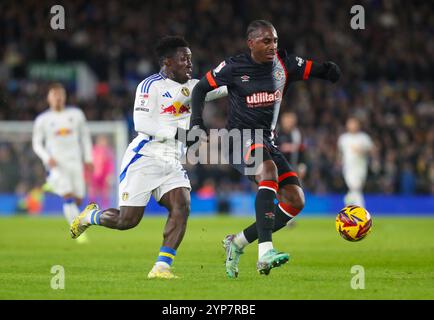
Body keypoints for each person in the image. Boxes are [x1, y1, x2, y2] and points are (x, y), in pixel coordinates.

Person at [190, 20, 341, 278]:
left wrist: (330, 71)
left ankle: (236, 242)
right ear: (251, 43)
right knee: (267, 170)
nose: (272, 46)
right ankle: (265, 253)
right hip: (238, 139)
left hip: (266, 141)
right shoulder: (233, 67)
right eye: (266, 41)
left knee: (295, 200)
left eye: (275, 41)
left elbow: (317, 69)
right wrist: (196, 122)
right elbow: (200, 88)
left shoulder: (286, 65)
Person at [70, 36, 227, 279]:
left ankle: (161, 267)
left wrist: (249, 78)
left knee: (181, 206)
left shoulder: (195, 87)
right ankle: (89, 216)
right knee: (127, 221)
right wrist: (180, 133)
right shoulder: (150, 85)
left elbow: (224, 88)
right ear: (167, 62)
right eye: (183, 59)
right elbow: (142, 122)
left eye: (190, 59)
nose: (189, 63)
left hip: (172, 160)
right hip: (145, 157)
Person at [32, 83, 93, 243]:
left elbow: (85, 137)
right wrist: (47, 158)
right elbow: (37, 144)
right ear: (49, 98)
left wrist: (88, 158)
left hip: (75, 162)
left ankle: (51, 185)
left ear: (65, 96)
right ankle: (78, 232)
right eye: (54, 95)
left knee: (79, 199)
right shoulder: (43, 119)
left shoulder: (76, 114)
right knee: (68, 196)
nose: (58, 98)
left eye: (60, 94)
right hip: (56, 164)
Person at [337, 117, 373, 207]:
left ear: (358, 125)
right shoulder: (343, 138)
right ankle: (361, 209)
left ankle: (348, 201)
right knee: (354, 186)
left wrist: (362, 150)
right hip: (348, 167)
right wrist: (339, 161)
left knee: (356, 188)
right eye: (350, 124)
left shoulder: (364, 137)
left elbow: (372, 149)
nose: (352, 126)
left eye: (354, 124)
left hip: (361, 167)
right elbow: (340, 152)